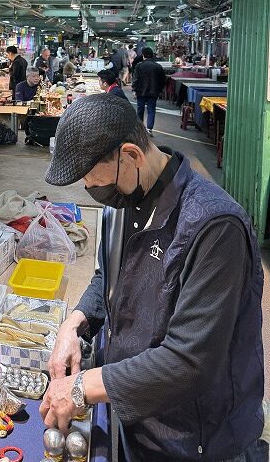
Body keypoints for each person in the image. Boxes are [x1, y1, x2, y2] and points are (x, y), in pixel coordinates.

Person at [42, 95, 265, 462]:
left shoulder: (214, 227)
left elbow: (189, 361)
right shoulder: (124, 199)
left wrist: (82, 386)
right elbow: (109, 275)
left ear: (130, 155)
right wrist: (75, 323)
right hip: (135, 413)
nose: (92, 189)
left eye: (94, 180)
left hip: (193, 439)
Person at [132, 47, 167, 134]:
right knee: (151, 110)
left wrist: (134, 90)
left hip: (140, 92)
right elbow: (163, 80)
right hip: (153, 92)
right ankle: (149, 129)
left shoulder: (139, 66)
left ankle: (140, 129)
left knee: (140, 110)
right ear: (152, 55)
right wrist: (159, 90)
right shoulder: (158, 66)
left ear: (143, 55)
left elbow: (135, 79)